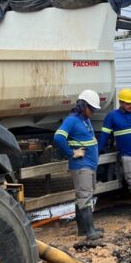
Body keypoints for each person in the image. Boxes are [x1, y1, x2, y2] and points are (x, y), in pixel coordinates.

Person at [54, 89, 104, 240]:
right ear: (83, 106)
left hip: (89, 165)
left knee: (84, 196)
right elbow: (58, 137)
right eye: (92, 109)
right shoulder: (72, 120)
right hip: (81, 166)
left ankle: (84, 229)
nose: (93, 112)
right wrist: (72, 153)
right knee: (85, 197)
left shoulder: (84, 119)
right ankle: (90, 232)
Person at [98, 88, 131, 221]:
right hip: (128, 157)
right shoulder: (112, 116)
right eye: (128, 103)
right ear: (121, 102)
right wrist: (97, 150)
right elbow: (105, 135)